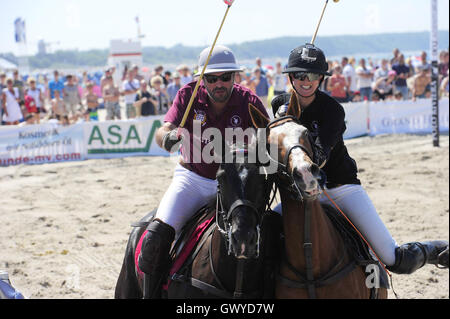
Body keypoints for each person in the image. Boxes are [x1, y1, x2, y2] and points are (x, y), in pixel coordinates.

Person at [272, 43, 448, 276]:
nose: (307, 80)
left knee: (393, 258)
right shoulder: (279, 105)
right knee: (266, 230)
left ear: (322, 78)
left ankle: (435, 249)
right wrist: (280, 123)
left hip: (340, 189)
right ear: (290, 77)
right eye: (299, 74)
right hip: (299, 192)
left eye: (314, 74)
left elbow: (320, 156)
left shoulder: (333, 110)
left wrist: (293, 126)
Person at [138, 45, 270, 298]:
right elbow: (162, 130)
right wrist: (168, 137)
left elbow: (268, 138)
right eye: (211, 78)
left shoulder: (248, 101)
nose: (219, 83)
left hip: (236, 185)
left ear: (235, 76)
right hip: (193, 180)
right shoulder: (188, 96)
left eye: (225, 77)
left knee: (275, 235)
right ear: (202, 79)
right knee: (155, 237)